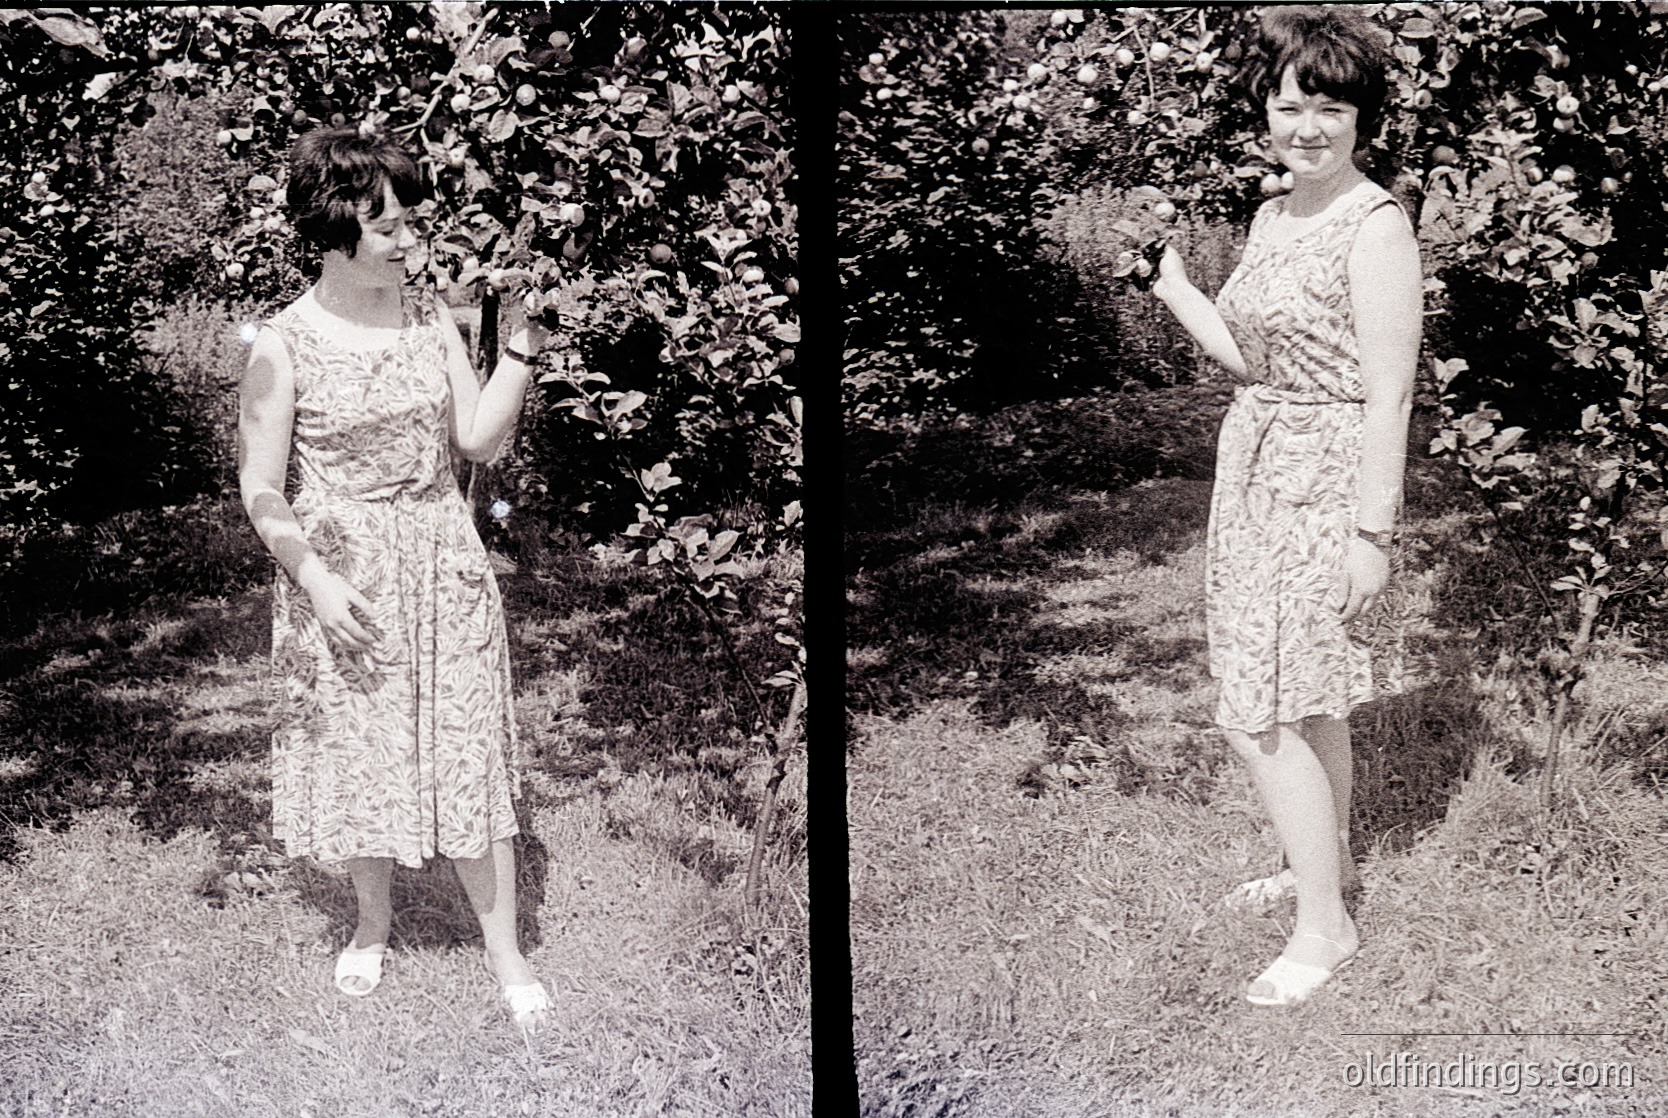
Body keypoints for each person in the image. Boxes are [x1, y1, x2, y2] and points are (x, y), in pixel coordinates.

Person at [237, 125, 551, 1029]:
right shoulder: (283, 345)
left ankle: (506, 952)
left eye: (412, 221)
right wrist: (315, 581)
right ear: (334, 232)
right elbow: (260, 487)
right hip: (346, 581)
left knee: (467, 750)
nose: (410, 241)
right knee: (362, 755)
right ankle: (371, 924)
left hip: (444, 564)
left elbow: (475, 440)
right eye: (388, 228)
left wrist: (522, 351)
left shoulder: (427, 320)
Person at [1151, 6, 1422, 1006]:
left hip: (1327, 483)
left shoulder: (1374, 225)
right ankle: (1327, 867)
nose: (1308, 128)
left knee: (1256, 712)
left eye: (1331, 109)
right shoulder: (1273, 213)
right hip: (1257, 469)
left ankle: (1325, 927)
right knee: (1306, 696)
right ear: (1265, 112)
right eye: (1290, 106)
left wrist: (1371, 535)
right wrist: (1176, 289)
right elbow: (1253, 357)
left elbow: (1391, 394)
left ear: (1361, 119)